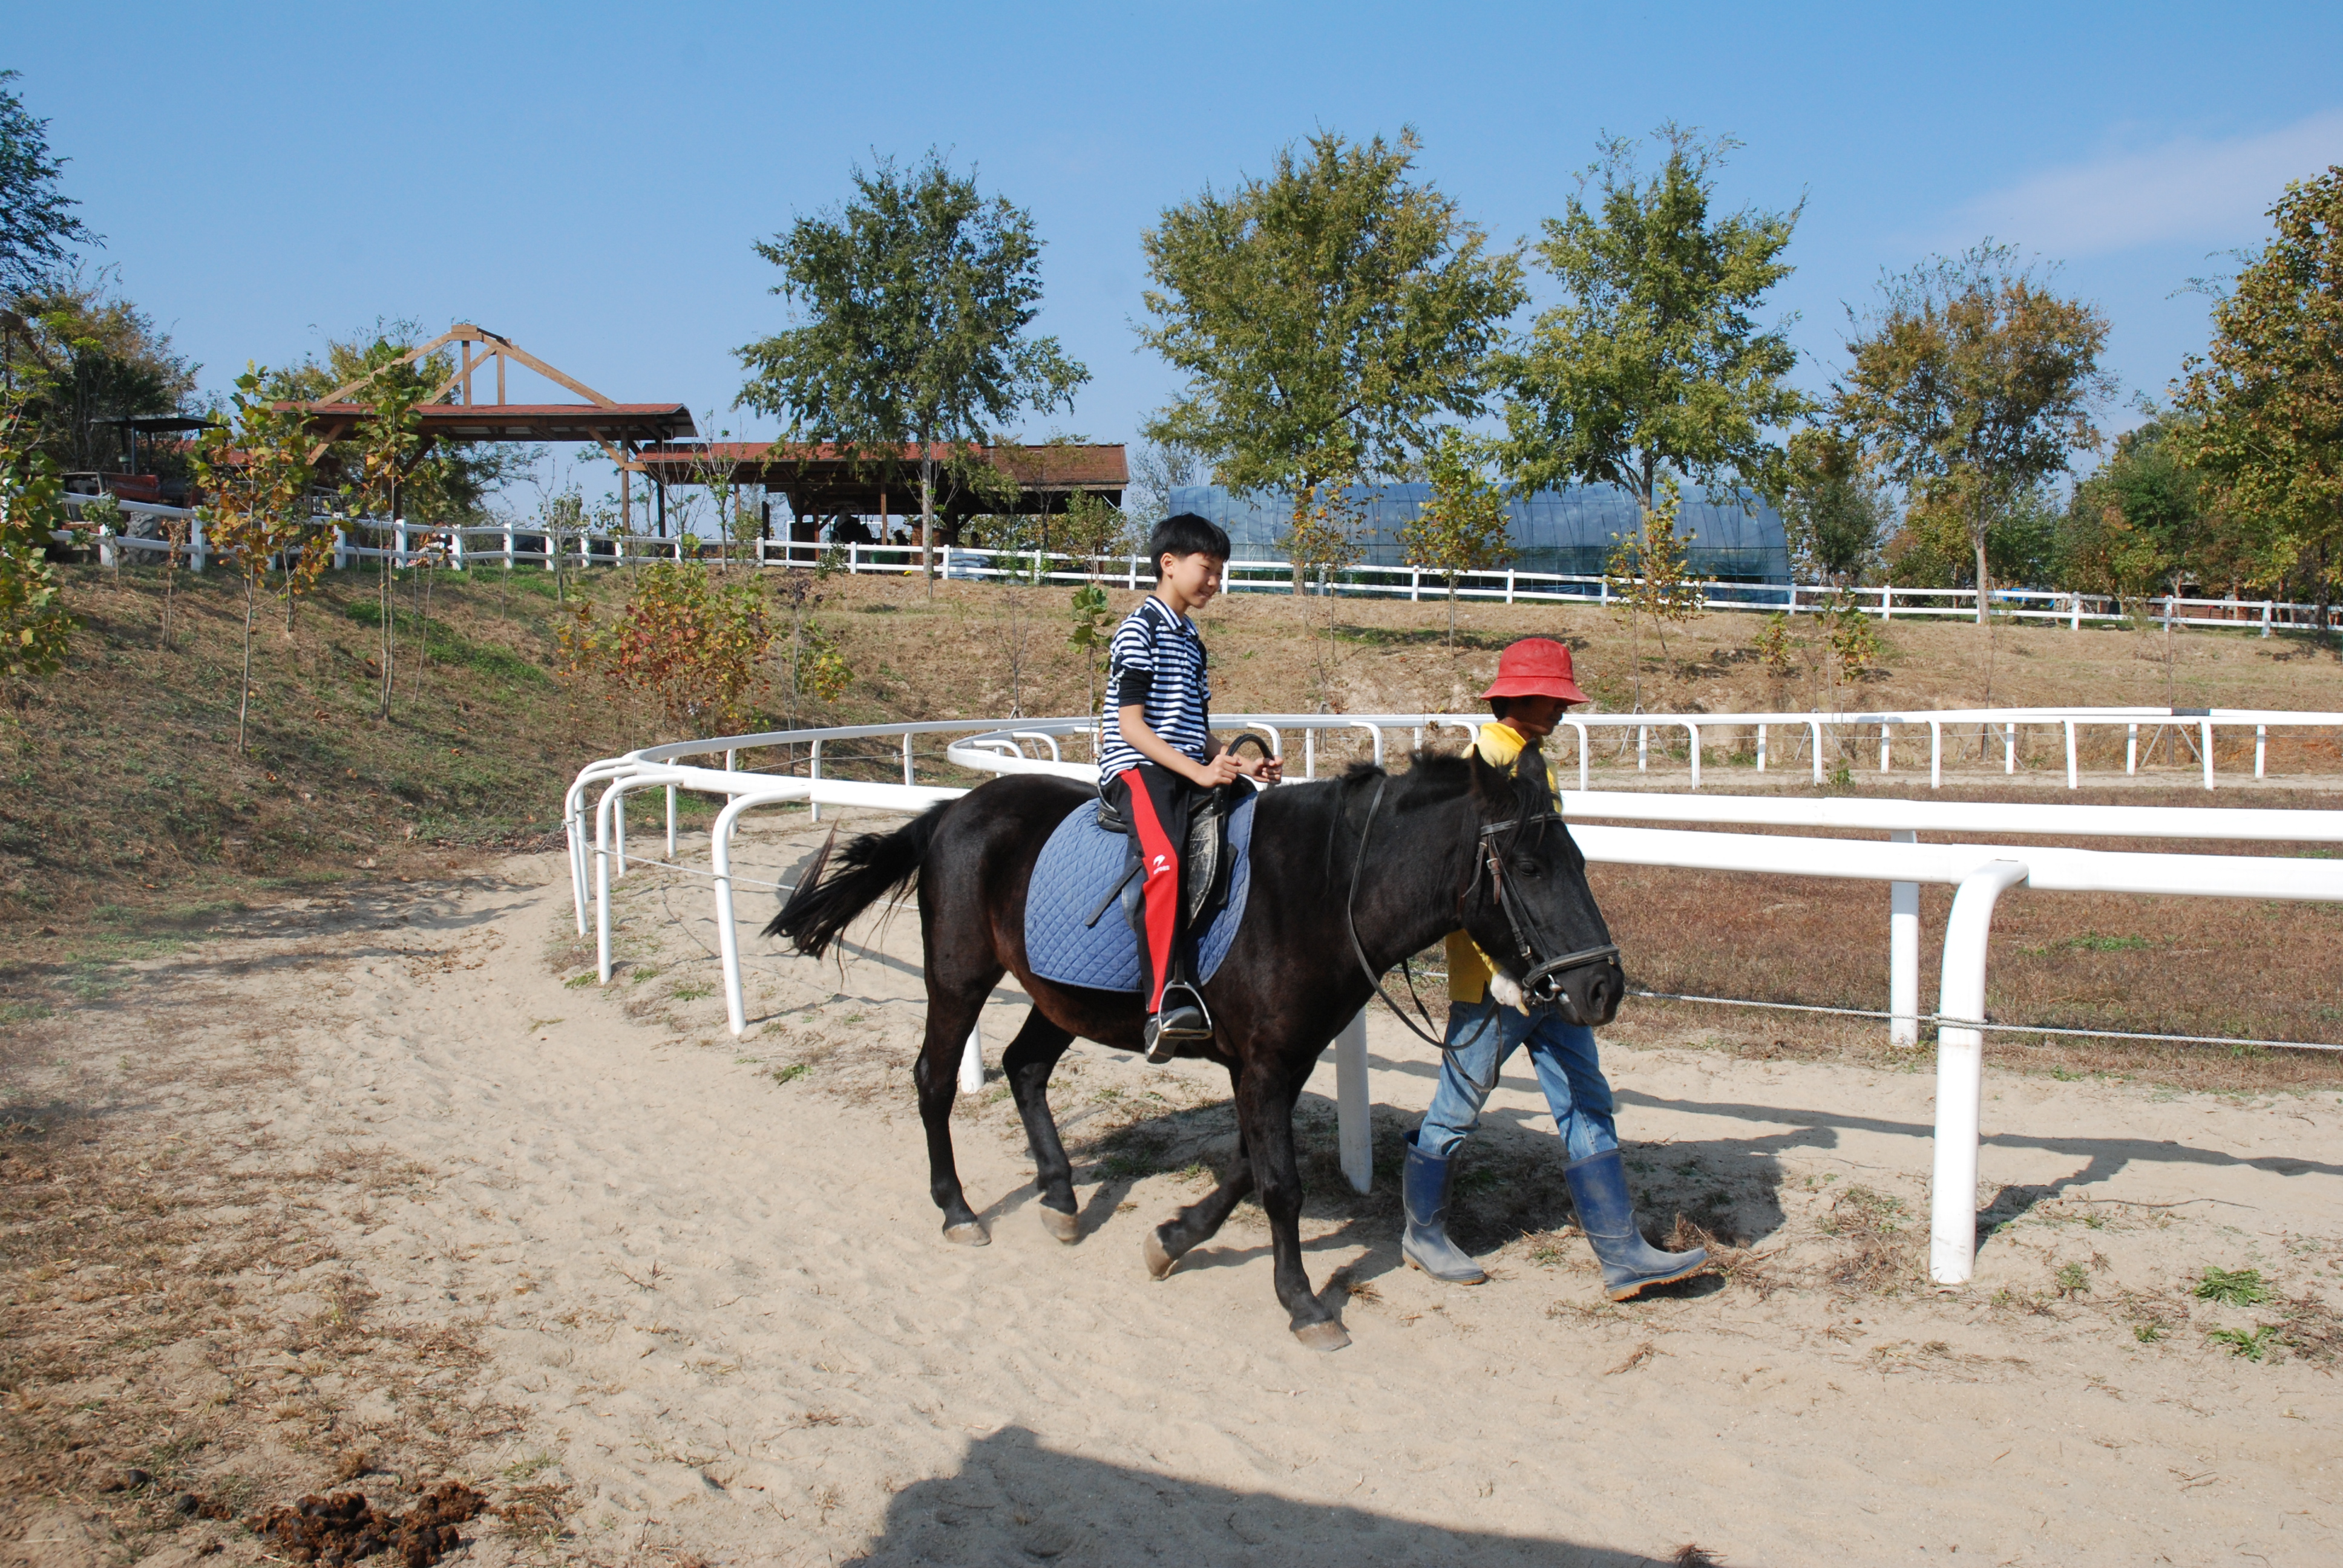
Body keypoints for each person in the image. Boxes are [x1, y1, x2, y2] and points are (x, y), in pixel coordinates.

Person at [1400, 637, 1707, 1300]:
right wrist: (1500, 970)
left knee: (1585, 1097)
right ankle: (1421, 1233)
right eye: (1554, 699)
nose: (1563, 709)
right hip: (1495, 982)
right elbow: (1472, 886)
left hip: (1549, 972)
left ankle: (1621, 1252)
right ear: (1522, 697)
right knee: (1459, 1105)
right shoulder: (1484, 764)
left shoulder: (1531, 760)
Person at [1099, 513, 1281, 1059]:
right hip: (1137, 768)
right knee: (1166, 865)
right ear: (1169, 563)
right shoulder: (1140, 629)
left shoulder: (1193, 639)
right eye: (1207, 569)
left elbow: (1192, 731)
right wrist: (1198, 772)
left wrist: (1237, 764)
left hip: (1181, 763)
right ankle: (1160, 1005)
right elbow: (1132, 726)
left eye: (1220, 573)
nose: (1214, 583)